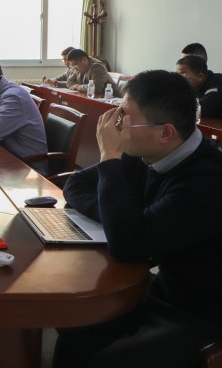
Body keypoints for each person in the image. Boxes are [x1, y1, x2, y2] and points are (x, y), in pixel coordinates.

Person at [54, 70, 222, 368]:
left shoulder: (207, 179)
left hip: (203, 310)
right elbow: (76, 185)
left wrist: (110, 163)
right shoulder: (150, 151)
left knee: (109, 362)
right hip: (163, 290)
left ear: (165, 132)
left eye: (125, 118)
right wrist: (122, 216)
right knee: (73, 325)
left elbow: (128, 244)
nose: (117, 126)